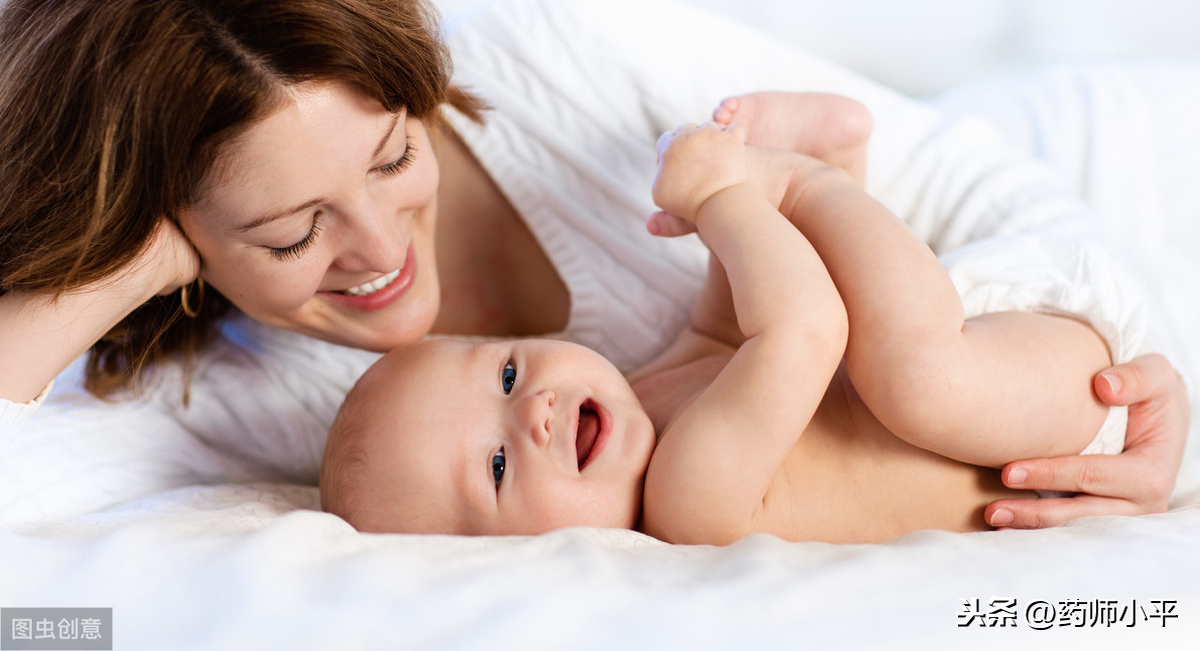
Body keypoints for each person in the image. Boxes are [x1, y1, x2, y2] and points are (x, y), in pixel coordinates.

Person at [0, 0, 1185, 530]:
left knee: (922, 367)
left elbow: (994, 202)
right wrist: (123, 263)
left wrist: (1135, 363)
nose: (375, 250)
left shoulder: (561, 55)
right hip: (861, 273)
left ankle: (815, 167)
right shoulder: (227, 386)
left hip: (1076, 184)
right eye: (289, 229)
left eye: (388, 156)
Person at [319, 98, 1135, 543]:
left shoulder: (641, 391)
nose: (531, 410)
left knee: (913, 374)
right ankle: (813, 178)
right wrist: (723, 199)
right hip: (1060, 430)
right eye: (496, 467)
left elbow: (724, 325)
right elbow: (802, 330)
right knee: (911, 377)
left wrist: (727, 232)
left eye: (504, 375)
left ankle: (822, 171)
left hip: (1021, 359)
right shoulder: (686, 500)